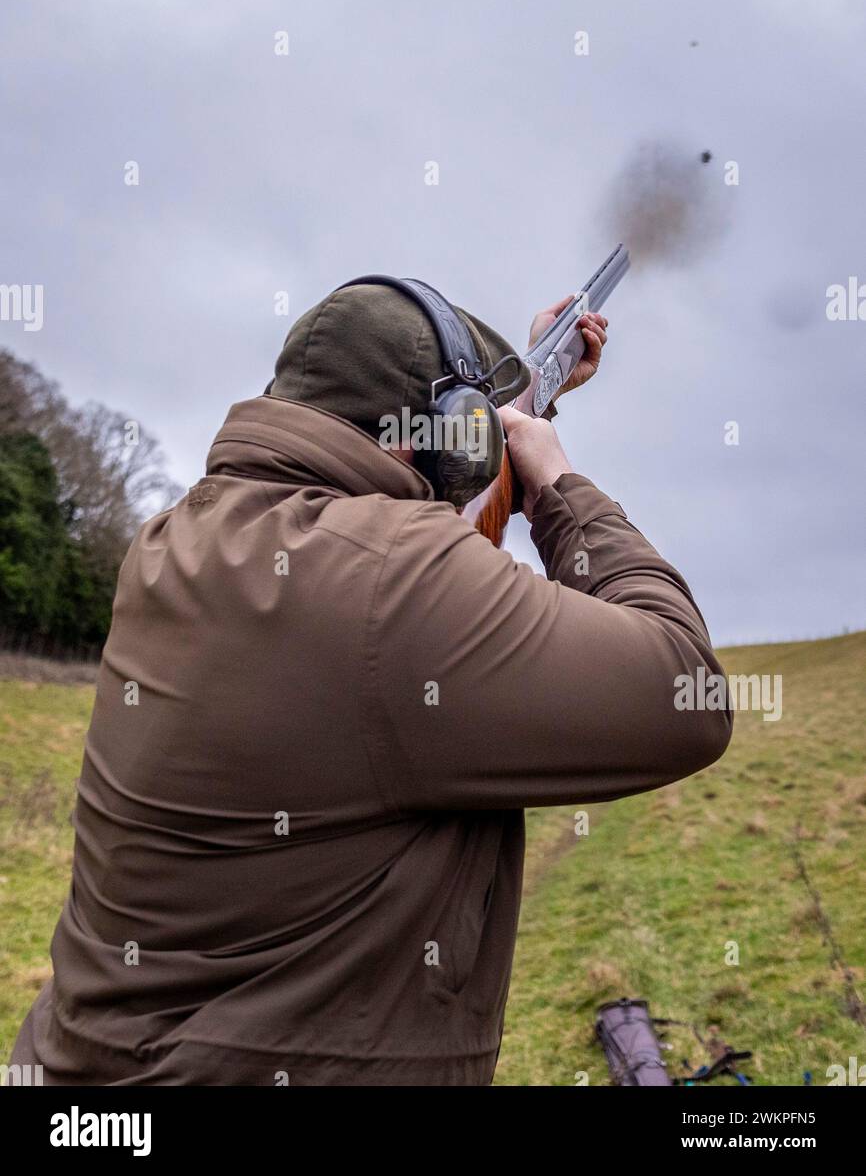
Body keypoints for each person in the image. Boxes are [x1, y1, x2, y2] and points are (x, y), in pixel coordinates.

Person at [10, 278, 731, 1086]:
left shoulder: (174, 543)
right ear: (435, 434)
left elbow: (399, 591)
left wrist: (535, 395)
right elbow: (686, 692)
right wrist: (558, 486)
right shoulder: (396, 581)